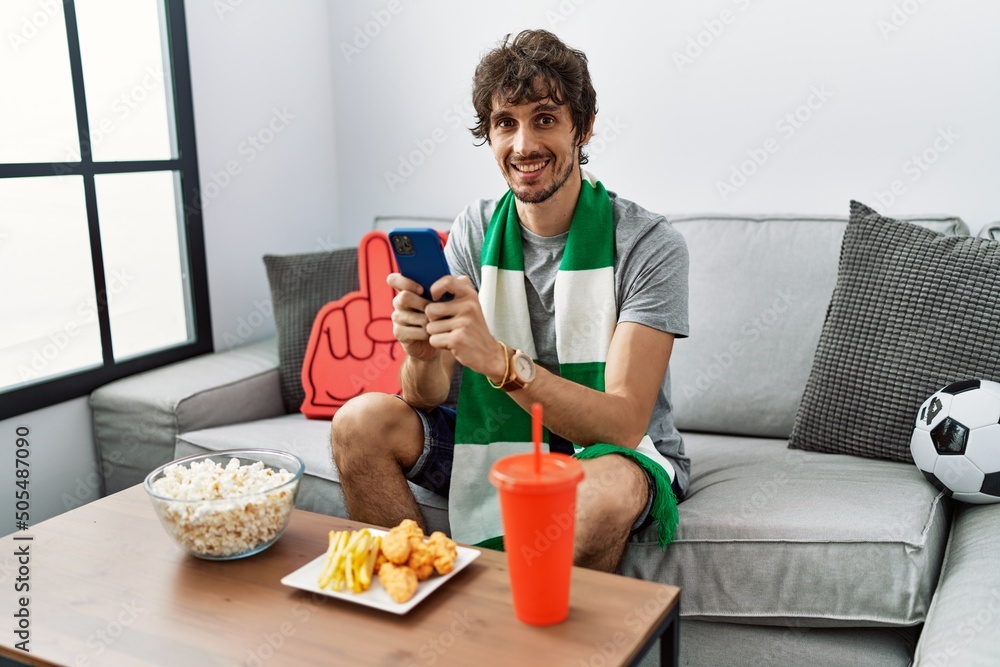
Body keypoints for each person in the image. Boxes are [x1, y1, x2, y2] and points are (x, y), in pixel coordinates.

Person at [331, 29, 689, 573]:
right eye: (506, 123)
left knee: (602, 488)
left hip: (613, 451)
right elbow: (423, 396)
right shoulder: (474, 229)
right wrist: (423, 355)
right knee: (360, 421)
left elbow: (622, 423)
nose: (523, 145)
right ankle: (421, 605)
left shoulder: (648, 244)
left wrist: (500, 364)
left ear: (583, 127)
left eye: (544, 118)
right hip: (493, 441)